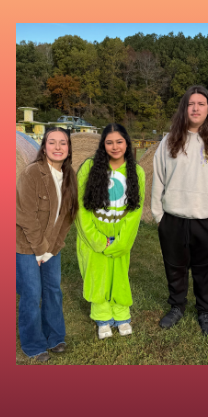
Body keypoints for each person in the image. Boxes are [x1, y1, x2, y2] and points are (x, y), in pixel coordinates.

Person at [152, 86, 208, 335]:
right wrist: (159, 216)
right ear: (184, 108)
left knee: (204, 271)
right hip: (173, 218)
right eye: (191, 104)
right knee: (174, 268)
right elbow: (158, 178)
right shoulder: (169, 140)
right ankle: (177, 306)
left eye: (201, 103)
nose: (196, 108)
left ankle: (204, 311)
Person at [77, 124, 147, 340]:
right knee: (97, 276)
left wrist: (121, 242)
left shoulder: (137, 172)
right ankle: (102, 317)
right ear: (103, 145)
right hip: (94, 237)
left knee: (119, 277)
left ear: (127, 143)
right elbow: (81, 208)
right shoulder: (89, 168)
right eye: (109, 142)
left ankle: (121, 314)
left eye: (119, 142)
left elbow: (135, 212)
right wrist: (98, 240)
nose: (115, 147)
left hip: (120, 237)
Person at [16, 128, 77, 361]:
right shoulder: (32, 173)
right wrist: (40, 251)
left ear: (69, 148)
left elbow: (67, 217)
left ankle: (55, 336)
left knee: (53, 291)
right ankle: (33, 344)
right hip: (26, 246)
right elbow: (24, 216)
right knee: (32, 293)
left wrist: (53, 247)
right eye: (53, 142)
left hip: (51, 247)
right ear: (44, 147)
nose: (58, 147)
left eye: (63, 143)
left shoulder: (69, 176)